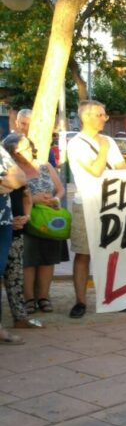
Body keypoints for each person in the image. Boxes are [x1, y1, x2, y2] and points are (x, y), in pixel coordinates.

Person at [66, 100, 126, 318]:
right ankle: (80, 301)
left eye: (105, 114)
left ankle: (117, 296)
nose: (105, 118)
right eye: (101, 115)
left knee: (114, 252)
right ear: (87, 117)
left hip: (112, 203)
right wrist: (102, 148)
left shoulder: (110, 140)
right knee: (84, 253)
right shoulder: (76, 144)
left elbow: (121, 168)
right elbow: (95, 169)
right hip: (87, 203)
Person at [16, 134, 67, 317]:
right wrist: (32, 199)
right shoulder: (14, 168)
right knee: (28, 260)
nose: (25, 152)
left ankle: (44, 297)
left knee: (48, 258)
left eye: (27, 148)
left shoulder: (45, 165)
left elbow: (60, 189)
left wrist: (54, 199)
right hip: (26, 218)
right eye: (20, 150)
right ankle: (29, 298)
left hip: (48, 218)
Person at [0, 136, 42, 330]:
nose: (29, 152)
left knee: (15, 276)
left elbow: (27, 196)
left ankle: (20, 317)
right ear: (13, 151)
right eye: (24, 148)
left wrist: (25, 217)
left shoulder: (18, 171)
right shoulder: (6, 169)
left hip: (14, 229)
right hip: (6, 224)